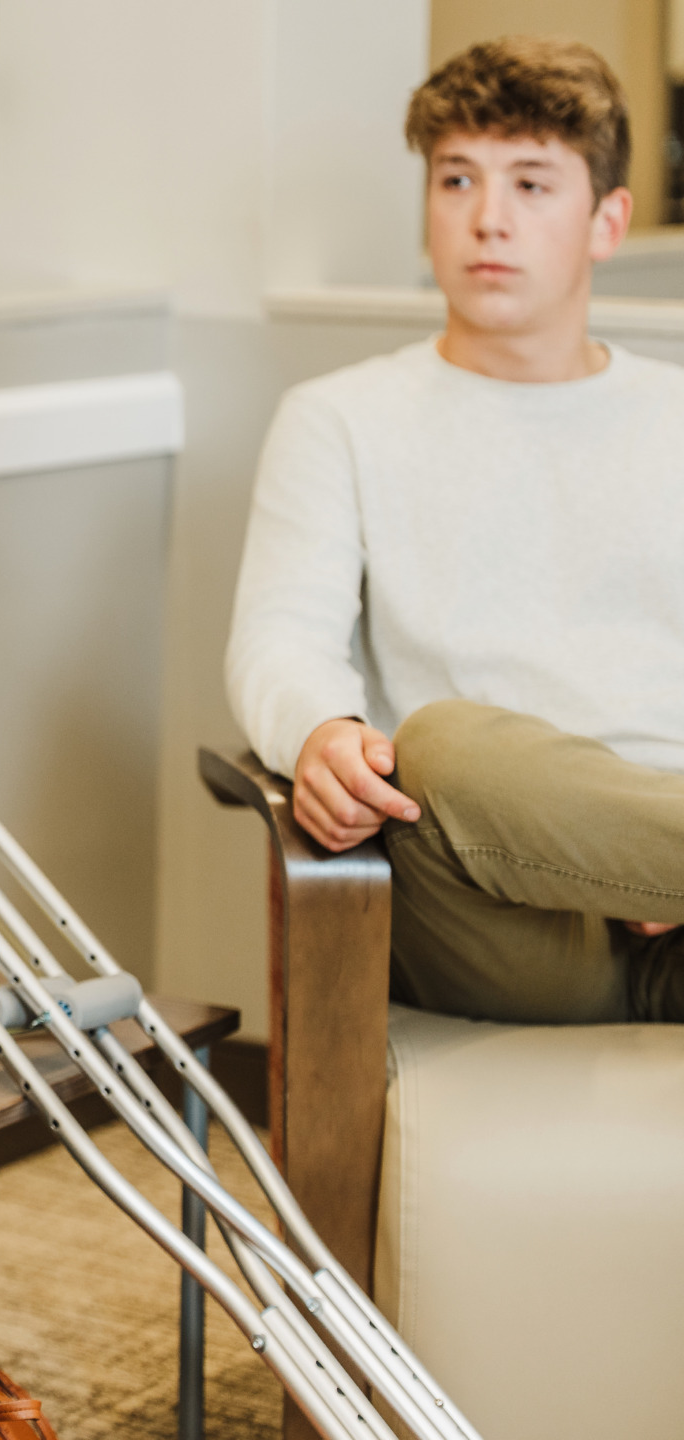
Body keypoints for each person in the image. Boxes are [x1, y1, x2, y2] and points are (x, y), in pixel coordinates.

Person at [226, 36, 684, 1026]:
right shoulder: (340, 416)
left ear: (608, 221)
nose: (489, 219)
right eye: (458, 179)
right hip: (501, 928)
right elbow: (280, 639)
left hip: (674, 925)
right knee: (440, 744)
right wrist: (321, 734)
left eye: (531, 184)